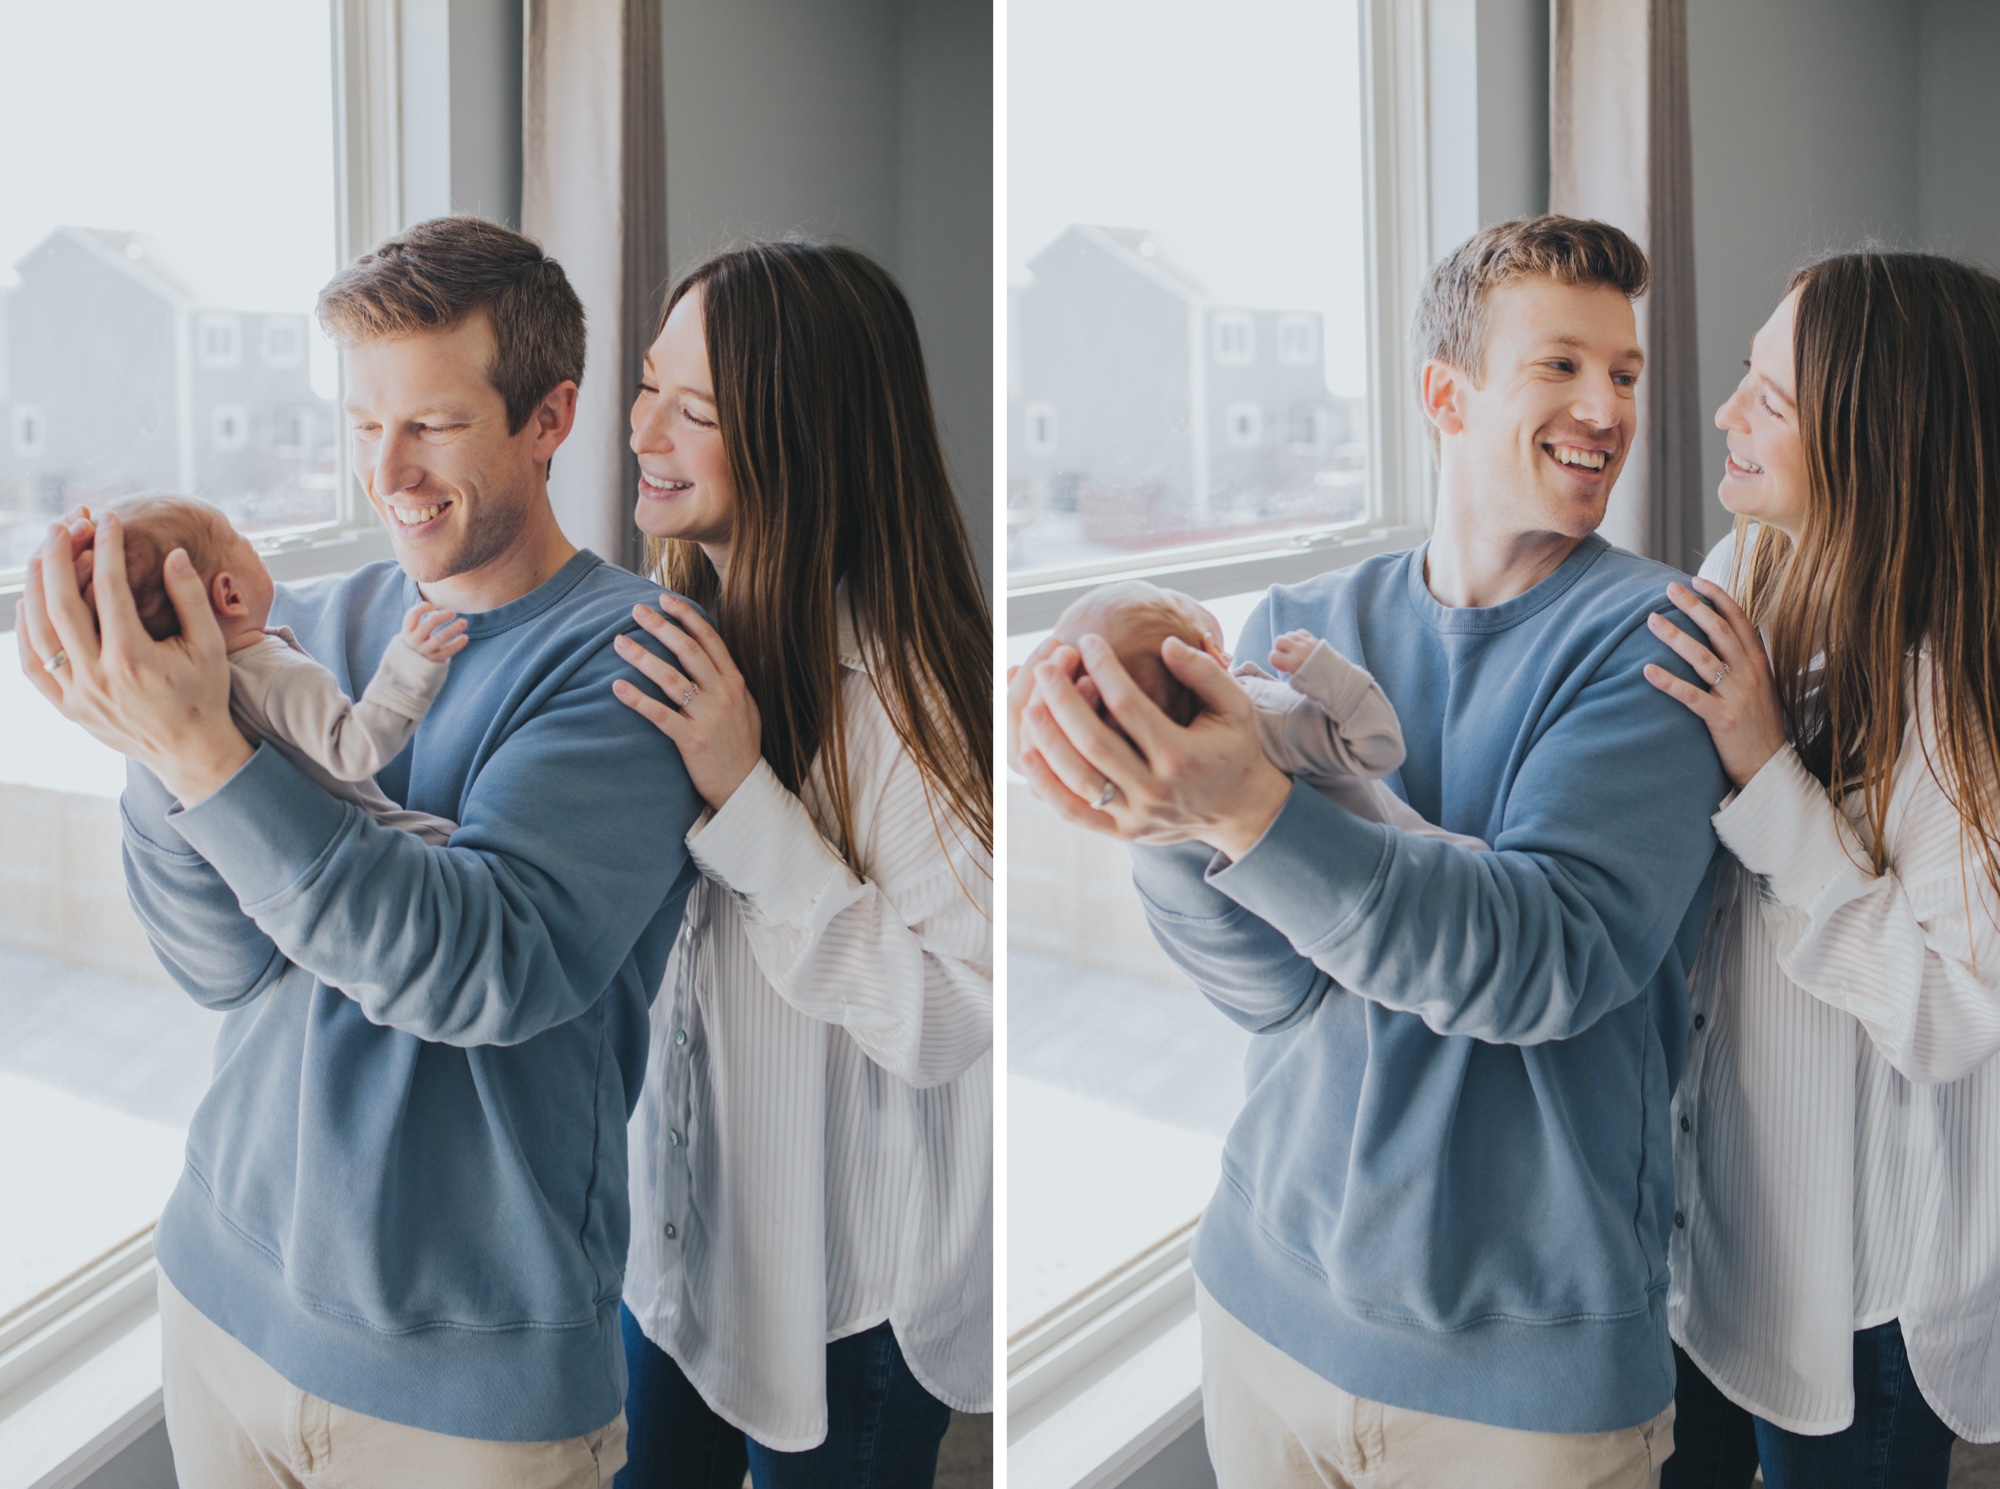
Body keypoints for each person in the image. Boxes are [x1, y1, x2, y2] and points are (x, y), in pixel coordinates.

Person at [1011, 215, 1728, 1488]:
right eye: (1558, 365)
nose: (1604, 406)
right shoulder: (1295, 629)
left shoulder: (1655, 642)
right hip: (1262, 1303)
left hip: (1520, 1386)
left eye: (1621, 372)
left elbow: (1544, 961)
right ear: (1442, 395)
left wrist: (1250, 816)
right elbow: (1268, 991)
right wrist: (1160, 819)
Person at [14, 215, 703, 1488]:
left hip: (462, 1394)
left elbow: (486, 970)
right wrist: (160, 737)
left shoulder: (633, 663)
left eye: (431, 425)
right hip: (222, 1292)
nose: (386, 471)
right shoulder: (312, 626)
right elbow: (218, 961)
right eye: (360, 425)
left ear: (547, 419)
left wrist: (209, 755)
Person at [610, 239, 992, 1487]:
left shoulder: (906, 696)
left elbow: (947, 1019)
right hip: (674, 1245)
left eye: (695, 407)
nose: (641, 428)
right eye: (648, 383)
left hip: (848, 1302)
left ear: (797, 438)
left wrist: (746, 797)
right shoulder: (667, 638)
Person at [1649, 251, 2000, 1489]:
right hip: (1717, 1223)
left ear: (1874, 444)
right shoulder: (1745, 568)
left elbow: (1954, 1014)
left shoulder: (1957, 696)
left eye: (1769, 398)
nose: (1723, 413)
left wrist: (1764, 777)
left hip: (1866, 1296)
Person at [100, 491, 463, 843]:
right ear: (231, 596)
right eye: (236, 537)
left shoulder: (200, 696)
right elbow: (353, 751)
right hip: (394, 842)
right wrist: (409, 666)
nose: (251, 542)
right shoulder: (278, 677)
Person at [1049, 579, 1483, 846]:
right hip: (1429, 858)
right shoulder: (1266, 712)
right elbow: (1380, 750)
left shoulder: (1186, 782)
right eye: (1165, 597)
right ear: (1206, 653)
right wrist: (1325, 668)